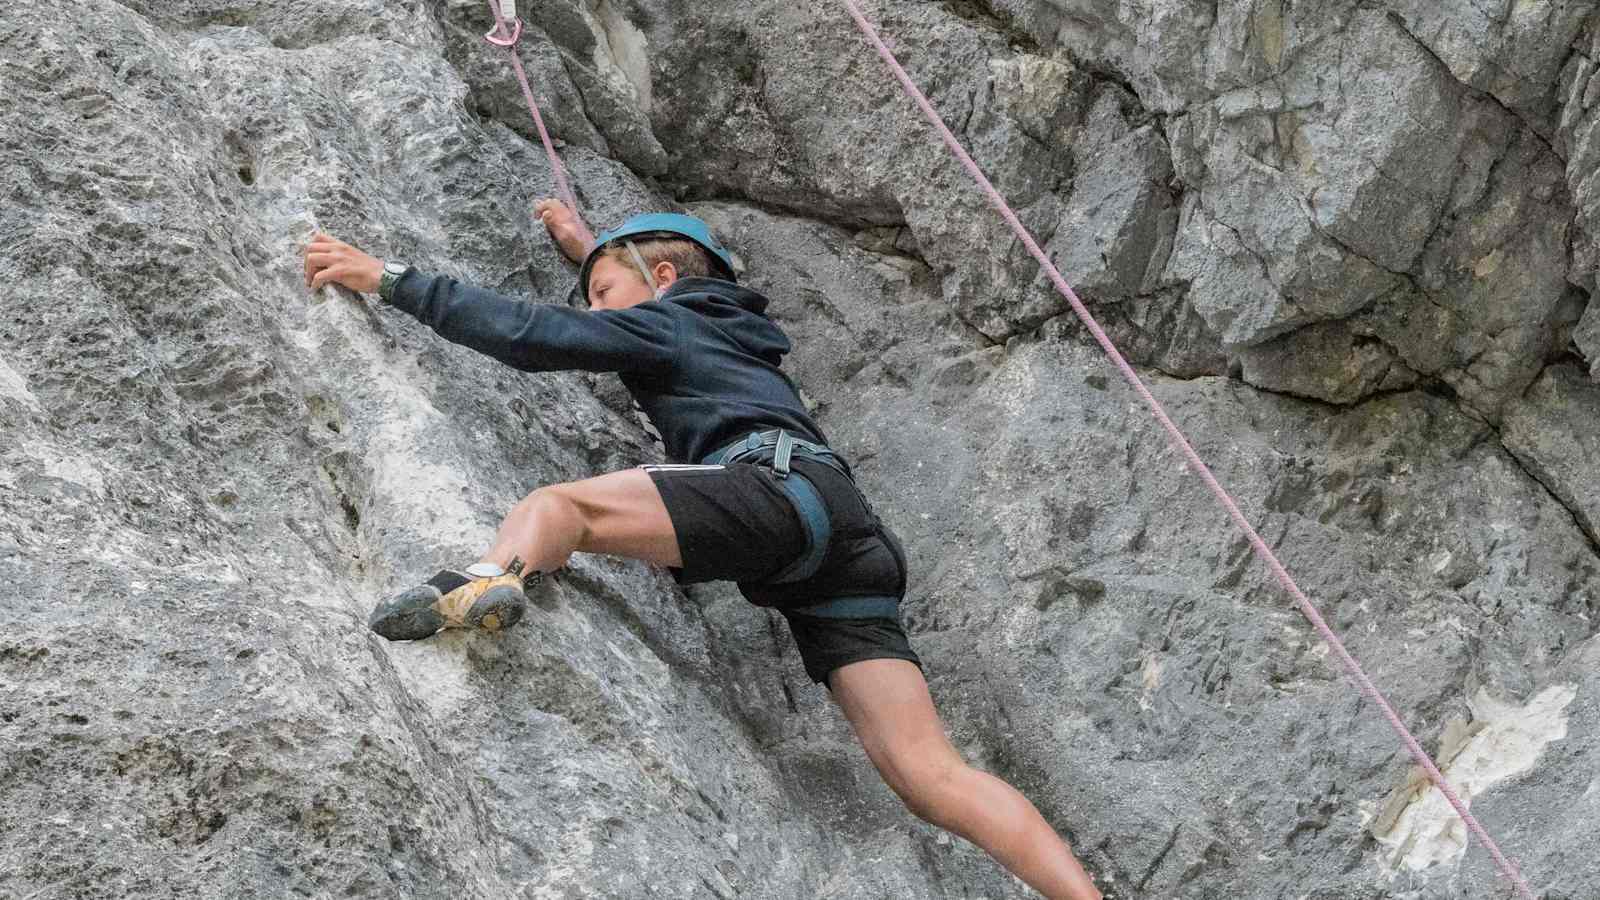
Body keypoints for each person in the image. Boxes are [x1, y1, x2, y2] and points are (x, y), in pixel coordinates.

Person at [301, 200, 1104, 900]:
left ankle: (492, 575)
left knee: (559, 506)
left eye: (606, 295)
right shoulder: (730, 328)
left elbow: (534, 333)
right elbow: (651, 283)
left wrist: (391, 278)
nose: (600, 312)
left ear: (661, 278)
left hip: (772, 492)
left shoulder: (671, 317)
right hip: (842, 540)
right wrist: (593, 254)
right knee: (932, 777)